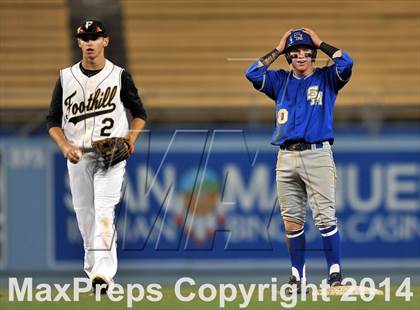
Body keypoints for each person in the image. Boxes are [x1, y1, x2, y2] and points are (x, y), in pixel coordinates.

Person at [245, 28, 353, 292]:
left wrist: (320, 42)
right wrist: (278, 48)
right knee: (292, 221)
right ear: (289, 57)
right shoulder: (280, 81)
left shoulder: (328, 78)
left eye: (307, 53)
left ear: (314, 56)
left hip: (317, 152)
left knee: (325, 218)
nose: (301, 58)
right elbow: (252, 73)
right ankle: (298, 277)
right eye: (295, 54)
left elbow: (346, 62)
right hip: (286, 156)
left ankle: (334, 275)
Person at [46, 20, 147, 293]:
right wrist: (64, 145)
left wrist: (130, 139)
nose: (90, 42)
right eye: (85, 38)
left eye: (96, 37)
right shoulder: (66, 77)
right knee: (84, 217)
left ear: (106, 41)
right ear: (79, 43)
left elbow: (140, 115)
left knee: (104, 211)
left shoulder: (119, 75)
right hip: (78, 155)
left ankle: (103, 273)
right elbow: (52, 121)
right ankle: (95, 274)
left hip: (111, 157)